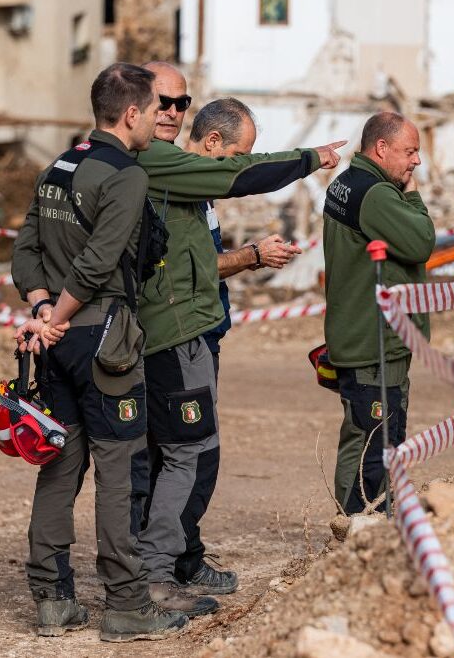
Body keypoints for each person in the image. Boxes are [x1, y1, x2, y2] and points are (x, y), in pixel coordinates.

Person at [133, 61, 345, 616]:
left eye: (181, 102)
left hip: (198, 331)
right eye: (166, 102)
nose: (173, 113)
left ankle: (176, 558)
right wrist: (309, 159)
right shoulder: (164, 165)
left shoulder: (178, 173)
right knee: (186, 454)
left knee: (188, 453)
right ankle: (155, 574)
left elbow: (195, 260)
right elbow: (245, 174)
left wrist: (246, 259)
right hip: (175, 335)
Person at [10, 63, 187, 642]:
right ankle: (127, 604)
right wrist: (57, 318)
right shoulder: (125, 174)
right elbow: (98, 263)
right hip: (102, 337)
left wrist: (40, 314)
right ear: (131, 114)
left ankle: (52, 599)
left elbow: (26, 248)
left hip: (56, 343)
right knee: (119, 469)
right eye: (153, 110)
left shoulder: (59, 165)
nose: (162, 118)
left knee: (61, 465)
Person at [322, 112, 435, 515]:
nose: (416, 162)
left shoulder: (344, 184)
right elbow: (421, 242)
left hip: (360, 333)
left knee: (369, 436)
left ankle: (364, 524)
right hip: (375, 342)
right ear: (381, 148)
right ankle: (357, 529)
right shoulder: (378, 194)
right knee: (374, 441)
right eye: (410, 151)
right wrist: (413, 196)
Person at [185, 97, 303, 373]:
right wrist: (255, 254)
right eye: (239, 157)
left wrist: (255, 256)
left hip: (204, 333)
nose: (240, 169)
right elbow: (198, 266)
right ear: (212, 141)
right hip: (189, 337)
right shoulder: (182, 193)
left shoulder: (202, 191)